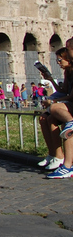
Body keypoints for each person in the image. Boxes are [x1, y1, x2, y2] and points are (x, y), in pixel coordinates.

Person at [44, 38, 73, 178]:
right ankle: (57, 155)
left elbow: (70, 95)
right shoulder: (69, 72)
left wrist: (54, 102)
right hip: (69, 102)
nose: (59, 62)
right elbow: (65, 90)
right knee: (48, 118)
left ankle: (67, 165)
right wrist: (50, 80)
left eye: (67, 50)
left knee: (56, 111)